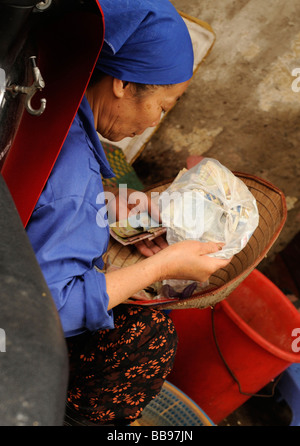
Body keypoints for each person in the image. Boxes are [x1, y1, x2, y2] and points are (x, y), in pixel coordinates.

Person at [26, 0, 230, 426]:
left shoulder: (43, 96)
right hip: (19, 327)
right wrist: (162, 267)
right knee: (147, 338)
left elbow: (41, 202)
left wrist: (105, 203)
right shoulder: (75, 179)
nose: (154, 122)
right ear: (121, 83)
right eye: (164, 106)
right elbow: (47, 309)